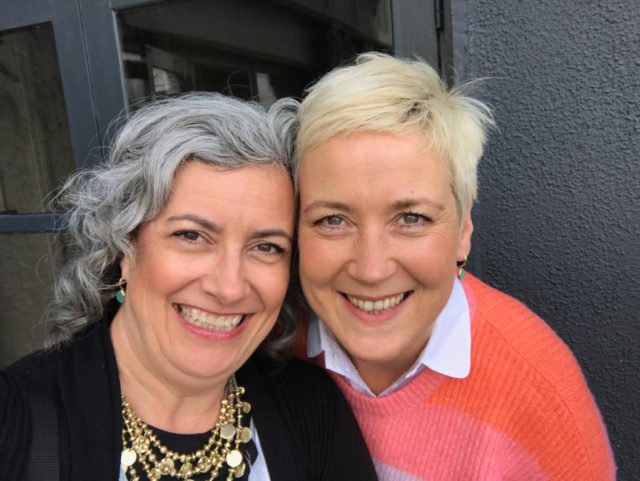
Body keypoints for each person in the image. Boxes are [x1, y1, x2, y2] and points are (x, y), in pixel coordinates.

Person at [0, 93, 378, 481]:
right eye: (192, 236)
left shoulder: (312, 408)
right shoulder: (15, 422)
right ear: (124, 247)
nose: (229, 288)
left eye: (266, 247)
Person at [294, 52, 616, 480]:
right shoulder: (269, 346)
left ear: (463, 229)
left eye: (411, 218)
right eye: (332, 220)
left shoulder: (541, 393)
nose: (371, 269)